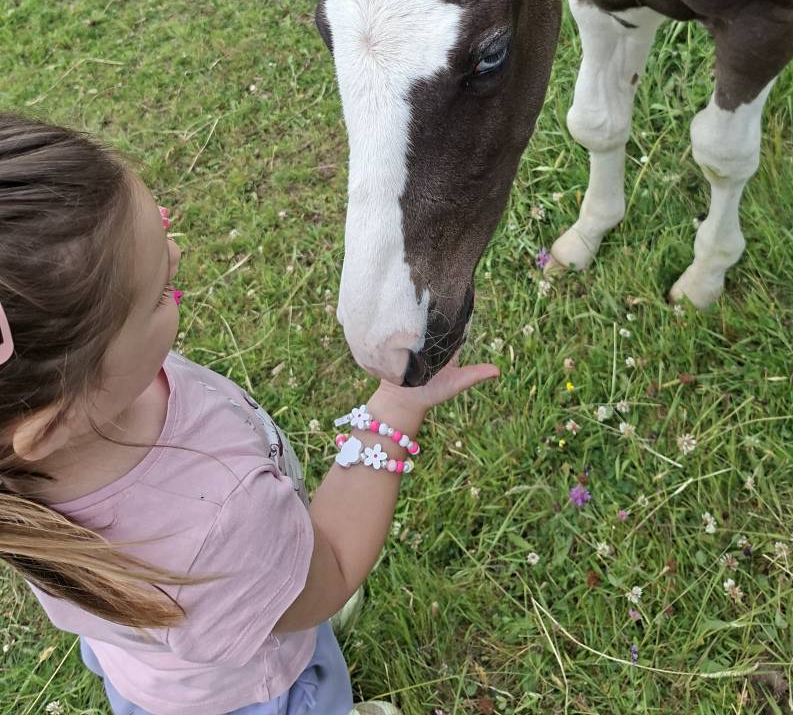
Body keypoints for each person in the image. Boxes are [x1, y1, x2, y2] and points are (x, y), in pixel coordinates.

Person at [0, 113, 498, 715]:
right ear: (53, 423)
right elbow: (335, 566)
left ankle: (270, 592)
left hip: (150, 672)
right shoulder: (219, 525)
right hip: (260, 691)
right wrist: (396, 406)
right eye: (158, 293)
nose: (177, 255)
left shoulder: (39, 433)